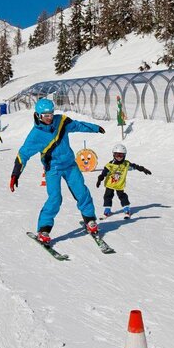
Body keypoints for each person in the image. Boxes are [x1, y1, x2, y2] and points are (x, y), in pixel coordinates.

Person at [10, 98, 105, 245]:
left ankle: (90, 220)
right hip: (52, 169)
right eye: (46, 115)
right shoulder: (35, 135)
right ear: (38, 115)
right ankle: (44, 230)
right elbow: (23, 154)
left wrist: (95, 128)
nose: (49, 118)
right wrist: (15, 174)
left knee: (82, 192)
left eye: (51, 114)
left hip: (70, 165)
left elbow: (77, 125)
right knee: (55, 198)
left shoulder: (61, 121)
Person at [95, 143, 151, 219]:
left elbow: (135, 166)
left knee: (122, 196)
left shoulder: (126, 163)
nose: (119, 157)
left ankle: (127, 209)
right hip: (110, 184)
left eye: (121, 155)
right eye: (117, 155)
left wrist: (143, 169)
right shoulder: (110, 164)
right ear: (113, 155)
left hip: (119, 184)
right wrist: (100, 179)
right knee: (107, 196)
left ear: (124, 155)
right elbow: (104, 172)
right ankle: (107, 210)